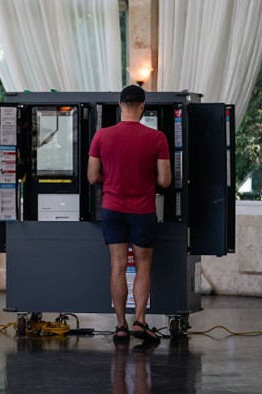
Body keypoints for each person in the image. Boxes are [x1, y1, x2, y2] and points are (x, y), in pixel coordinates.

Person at [87, 85, 171, 343]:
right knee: (143, 266)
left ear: (119, 104)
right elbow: (165, 181)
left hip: (112, 209)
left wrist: (110, 177)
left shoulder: (101, 136)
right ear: (143, 106)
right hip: (142, 211)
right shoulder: (157, 138)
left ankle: (121, 325)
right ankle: (140, 322)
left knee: (118, 266)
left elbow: (92, 177)